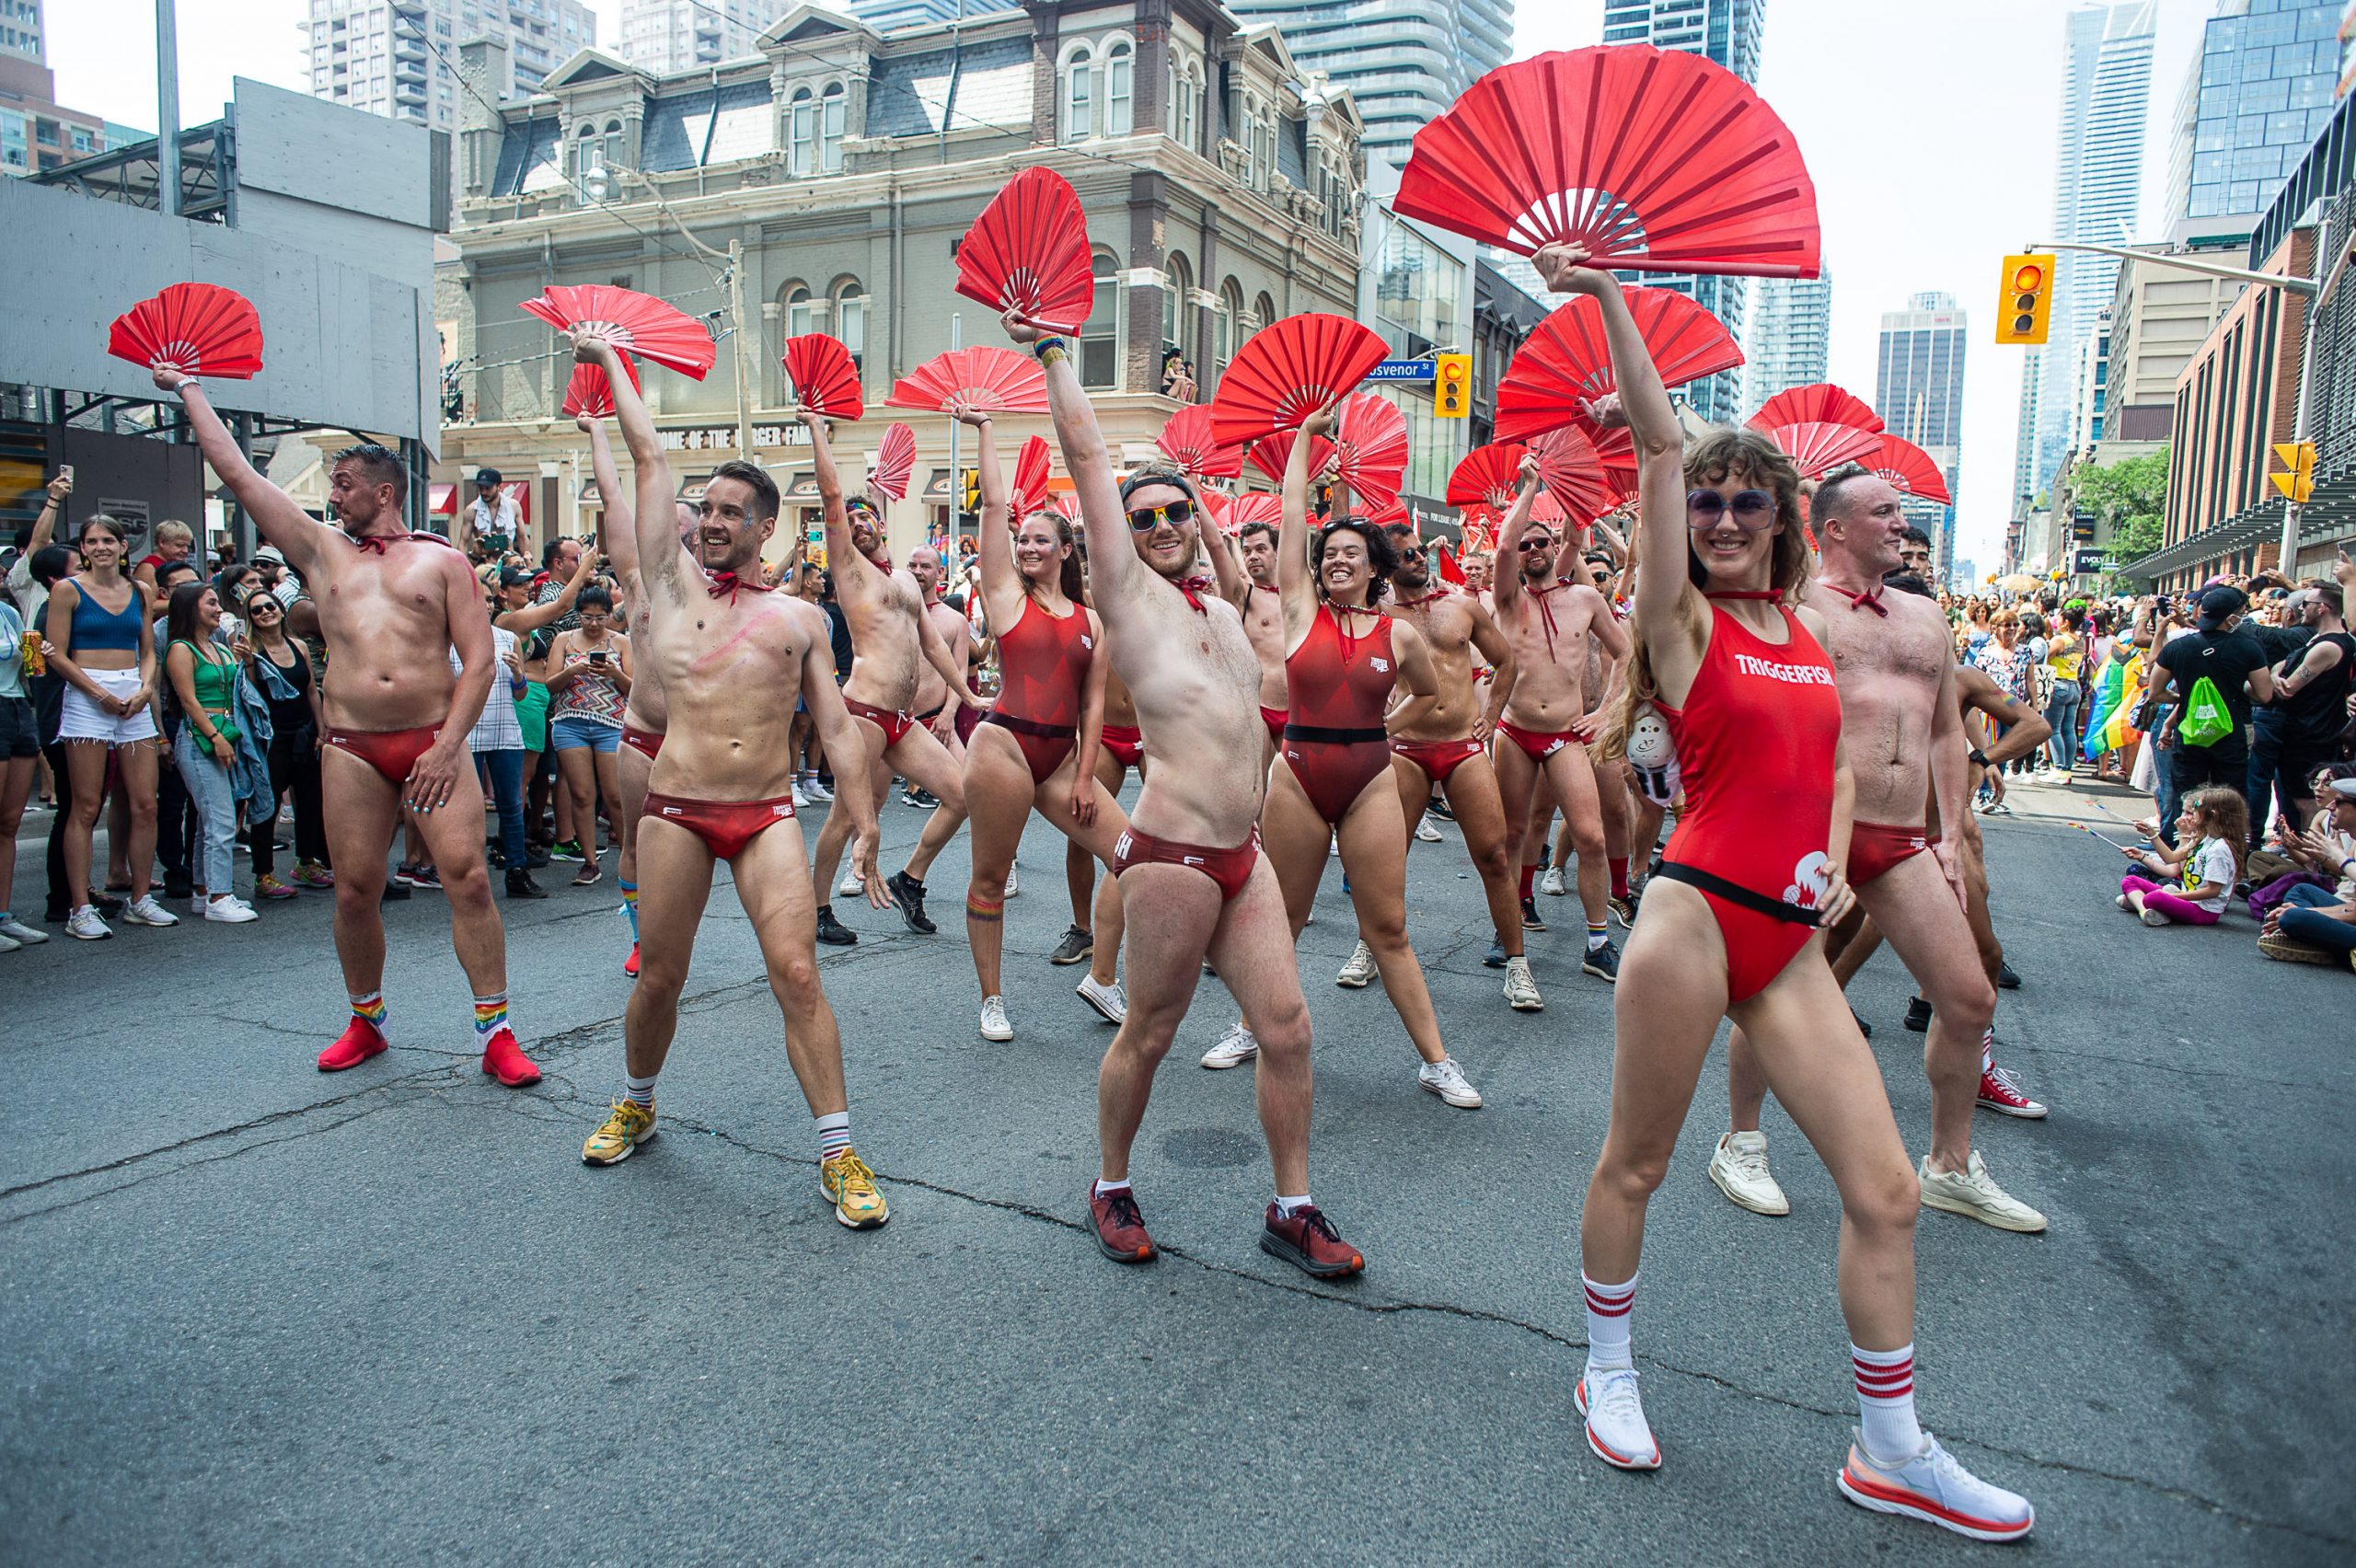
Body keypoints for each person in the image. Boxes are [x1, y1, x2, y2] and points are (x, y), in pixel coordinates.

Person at [1557, 245, 2032, 1539]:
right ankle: (1605, 1371)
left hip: (1786, 933)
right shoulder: (1682, 626)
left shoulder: (1806, 628)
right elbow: (1662, 453)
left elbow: (1824, 759)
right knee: (1640, 1162)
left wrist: (1834, 861)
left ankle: (1892, 1447)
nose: (1716, 518)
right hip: (1695, 916)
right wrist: (1605, 300)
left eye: (1741, 505)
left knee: (1883, 1189)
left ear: (1783, 525)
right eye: (1704, 502)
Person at [1001, 307, 1363, 1279]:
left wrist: (1283, 454)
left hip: (1243, 857)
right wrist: (1050, 354)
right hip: (1171, 859)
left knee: (1286, 1029)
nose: (1159, 527)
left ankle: (1292, 1208)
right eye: (1143, 515)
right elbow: (1083, 457)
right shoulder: (1130, 597)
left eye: (1174, 514)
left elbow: (1253, 534)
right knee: (1153, 1033)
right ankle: (1109, 1185)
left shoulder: (1224, 606)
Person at [570, 331, 894, 1230]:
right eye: (702, 508)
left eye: (728, 512)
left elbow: (835, 726)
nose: (709, 521)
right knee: (661, 978)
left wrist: (865, 824)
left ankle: (839, 1152)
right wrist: (610, 363)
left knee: (796, 971)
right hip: (675, 809)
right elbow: (646, 454)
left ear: (764, 528)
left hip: (763, 815)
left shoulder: (798, 618)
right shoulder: (666, 589)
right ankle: (636, 1101)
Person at [158, 366, 538, 1088]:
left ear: (383, 491)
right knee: (356, 889)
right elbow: (238, 475)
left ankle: (497, 1031)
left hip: (434, 739)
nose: (332, 497)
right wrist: (188, 391)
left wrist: (448, 746)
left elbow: (482, 663)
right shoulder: (319, 550)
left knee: (468, 882)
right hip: (353, 748)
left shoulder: (445, 560)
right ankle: (366, 1020)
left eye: (343, 485)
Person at [1712, 467, 2039, 1235]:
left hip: (1900, 837)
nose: (1901, 524)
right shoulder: (1793, 609)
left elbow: (1942, 733)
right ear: (1832, 528)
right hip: (1807, 832)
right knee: (1768, 990)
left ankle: (1951, 1167)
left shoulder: (1928, 620)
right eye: (1884, 512)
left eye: (1902, 513)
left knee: (1968, 997)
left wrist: (1953, 832)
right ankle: (1742, 1142)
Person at [1229, 410, 1472, 1106]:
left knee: (1387, 927)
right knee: (1287, 918)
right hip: (1298, 777)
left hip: (1370, 780)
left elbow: (1434, 697)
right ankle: (1249, 1027)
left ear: (1375, 569)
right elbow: (1295, 508)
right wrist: (1308, 437)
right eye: (1328, 552)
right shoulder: (1297, 608)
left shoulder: (1398, 636)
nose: (1336, 559)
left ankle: (1436, 1061)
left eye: (1350, 554)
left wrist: (1394, 725)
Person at [947, 405, 1129, 1041]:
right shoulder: (1004, 597)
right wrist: (984, 431)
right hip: (1002, 747)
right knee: (990, 877)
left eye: (1038, 539)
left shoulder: (1090, 619)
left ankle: (1103, 978)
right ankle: (992, 999)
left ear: (1063, 551)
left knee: (1133, 856)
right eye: (1021, 539)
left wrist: (1084, 779)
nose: (1025, 545)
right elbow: (993, 511)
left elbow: (1092, 708)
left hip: (1060, 759)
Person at [804, 458, 978, 946]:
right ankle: (818, 910)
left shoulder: (904, 581)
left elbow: (934, 645)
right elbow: (832, 497)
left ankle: (910, 879)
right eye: (850, 520)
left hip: (903, 719)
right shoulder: (849, 573)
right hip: (863, 714)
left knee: (961, 794)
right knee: (847, 818)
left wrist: (968, 695)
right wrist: (820, 431)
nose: (857, 524)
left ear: (881, 524)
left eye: (866, 518)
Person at [1379, 520, 1535, 1009]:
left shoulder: (1462, 605)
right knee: (1386, 858)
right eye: (1405, 556)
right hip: (1407, 747)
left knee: (1492, 855)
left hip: (1463, 746)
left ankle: (1517, 965)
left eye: (1419, 551)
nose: (1418, 560)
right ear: (1387, 566)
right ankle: (1369, 947)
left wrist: (1491, 716)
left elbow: (1505, 661)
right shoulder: (1379, 614)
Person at [1491, 473, 1629, 975]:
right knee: (1511, 834)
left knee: (1590, 837)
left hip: (1567, 734)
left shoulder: (1587, 600)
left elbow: (1626, 653)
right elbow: (1503, 544)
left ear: (1555, 546)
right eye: (1525, 544)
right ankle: (1506, 931)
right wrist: (1527, 485)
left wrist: (1608, 710)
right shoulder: (1508, 599)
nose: (1530, 549)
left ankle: (1597, 944)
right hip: (1514, 733)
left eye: (1539, 542)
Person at [45, 514, 177, 938]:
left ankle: (140, 898)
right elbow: (56, 653)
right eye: (92, 541)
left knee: (145, 803)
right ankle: (80, 908)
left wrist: (143, 688)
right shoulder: (67, 590)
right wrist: (99, 693)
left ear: (124, 547)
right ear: (82, 548)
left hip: (132, 692)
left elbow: (148, 650)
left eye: (109, 540)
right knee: (86, 807)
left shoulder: (139, 590)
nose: (100, 547)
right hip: (87, 694)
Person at [162, 582, 258, 923]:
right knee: (220, 820)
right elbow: (187, 700)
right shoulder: (180, 649)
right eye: (212, 603)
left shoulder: (218, 645)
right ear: (191, 608)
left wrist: (245, 662)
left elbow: (237, 690)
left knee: (207, 819)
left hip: (225, 735)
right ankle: (220, 896)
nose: (219, 609)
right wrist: (215, 735)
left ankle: (203, 892)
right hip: (200, 738)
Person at [240, 585, 329, 899]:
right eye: (257, 610)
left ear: (280, 609)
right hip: (271, 737)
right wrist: (248, 662)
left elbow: (310, 691)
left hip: (303, 734)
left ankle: (307, 862)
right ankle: (263, 874)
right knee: (268, 806)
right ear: (250, 618)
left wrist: (321, 731)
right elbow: (248, 695)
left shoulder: (298, 646)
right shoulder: (250, 650)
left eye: (269, 606)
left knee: (309, 800)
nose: (265, 612)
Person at [543, 582, 631, 888]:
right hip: (570, 723)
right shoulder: (563, 640)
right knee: (581, 795)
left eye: (600, 617)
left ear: (610, 615)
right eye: (587, 617)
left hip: (611, 723)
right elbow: (549, 685)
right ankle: (590, 863)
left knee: (615, 797)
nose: (593, 624)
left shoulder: (621, 642)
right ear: (578, 615)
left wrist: (614, 673)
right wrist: (572, 671)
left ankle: (629, 860)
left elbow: (633, 688)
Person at [2152, 584, 2275, 801]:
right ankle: (2224, 836)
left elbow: (2156, 692)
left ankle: (2185, 835)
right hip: (2231, 734)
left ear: (2201, 611)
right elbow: (2264, 694)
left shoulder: (2177, 647)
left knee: (2188, 798)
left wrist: (2186, 698)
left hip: (2190, 732)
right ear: (2232, 617)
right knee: (2227, 800)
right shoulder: (2249, 647)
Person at [2261, 575, 2353, 846]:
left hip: (2313, 735)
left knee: (2308, 803)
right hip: (2304, 732)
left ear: (2323, 607)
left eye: (2307, 603)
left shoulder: (2328, 645)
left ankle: (2311, 863)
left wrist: (2277, 677)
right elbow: (2281, 666)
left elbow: (2287, 686)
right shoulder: (2318, 641)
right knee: (2295, 799)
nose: (2300, 608)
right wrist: (2277, 673)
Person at [1204, 517, 1291, 769]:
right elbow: (1215, 547)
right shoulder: (1244, 596)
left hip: (1296, 709)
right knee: (1256, 790)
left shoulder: (1298, 595)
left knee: (1302, 789)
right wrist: (1193, 490)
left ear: (1277, 552)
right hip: (1258, 709)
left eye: (1260, 549)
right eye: (1247, 551)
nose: (1252, 556)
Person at [0, 555, 46, 951]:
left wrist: (41, 655)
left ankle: (4, 915)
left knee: (9, 822)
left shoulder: (8, 614)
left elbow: (29, 669)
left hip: (17, 709)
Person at [2259, 776, 2356, 961]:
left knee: (2292, 918)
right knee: (2300, 891)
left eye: (2339, 802)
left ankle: (2333, 949)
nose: (2331, 807)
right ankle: (2327, 944)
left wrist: (2302, 912)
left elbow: (2354, 911)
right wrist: (2292, 845)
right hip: (2349, 910)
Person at [2118, 788, 2246, 927]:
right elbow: (2171, 858)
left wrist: (2173, 897)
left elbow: (2213, 891)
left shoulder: (2219, 850)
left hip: (2204, 911)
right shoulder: (2204, 838)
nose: (2192, 811)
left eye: (2196, 806)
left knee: (2152, 897)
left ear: (2213, 815)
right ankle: (2146, 912)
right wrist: (2151, 834)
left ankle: (2147, 905)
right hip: (2186, 896)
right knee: (2129, 881)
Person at [132, 518, 194, 594]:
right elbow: (148, 603)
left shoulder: (174, 565)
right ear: (162, 542)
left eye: (187, 546)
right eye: (179, 545)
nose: (185, 551)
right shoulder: (148, 567)